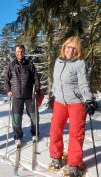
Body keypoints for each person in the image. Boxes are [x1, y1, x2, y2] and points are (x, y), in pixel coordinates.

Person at [49, 36, 96, 177]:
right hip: (60, 102)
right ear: (64, 47)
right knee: (55, 130)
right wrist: (52, 94)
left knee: (76, 134)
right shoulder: (58, 61)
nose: (70, 50)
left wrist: (88, 100)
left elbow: (83, 84)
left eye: (74, 48)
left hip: (76, 103)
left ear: (78, 50)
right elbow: (56, 81)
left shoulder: (80, 63)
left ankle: (74, 164)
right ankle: (56, 157)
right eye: (68, 47)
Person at [4, 44, 41, 145]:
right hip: (16, 96)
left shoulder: (30, 64)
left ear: (24, 52)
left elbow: (36, 78)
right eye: (17, 51)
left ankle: (35, 133)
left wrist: (37, 89)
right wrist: (8, 90)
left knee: (34, 116)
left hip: (30, 95)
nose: (19, 53)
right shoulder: (11, 65)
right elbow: (6, 80)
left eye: (21, 51)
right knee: (16, 118)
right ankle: (18, 136)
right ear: (15, 53)